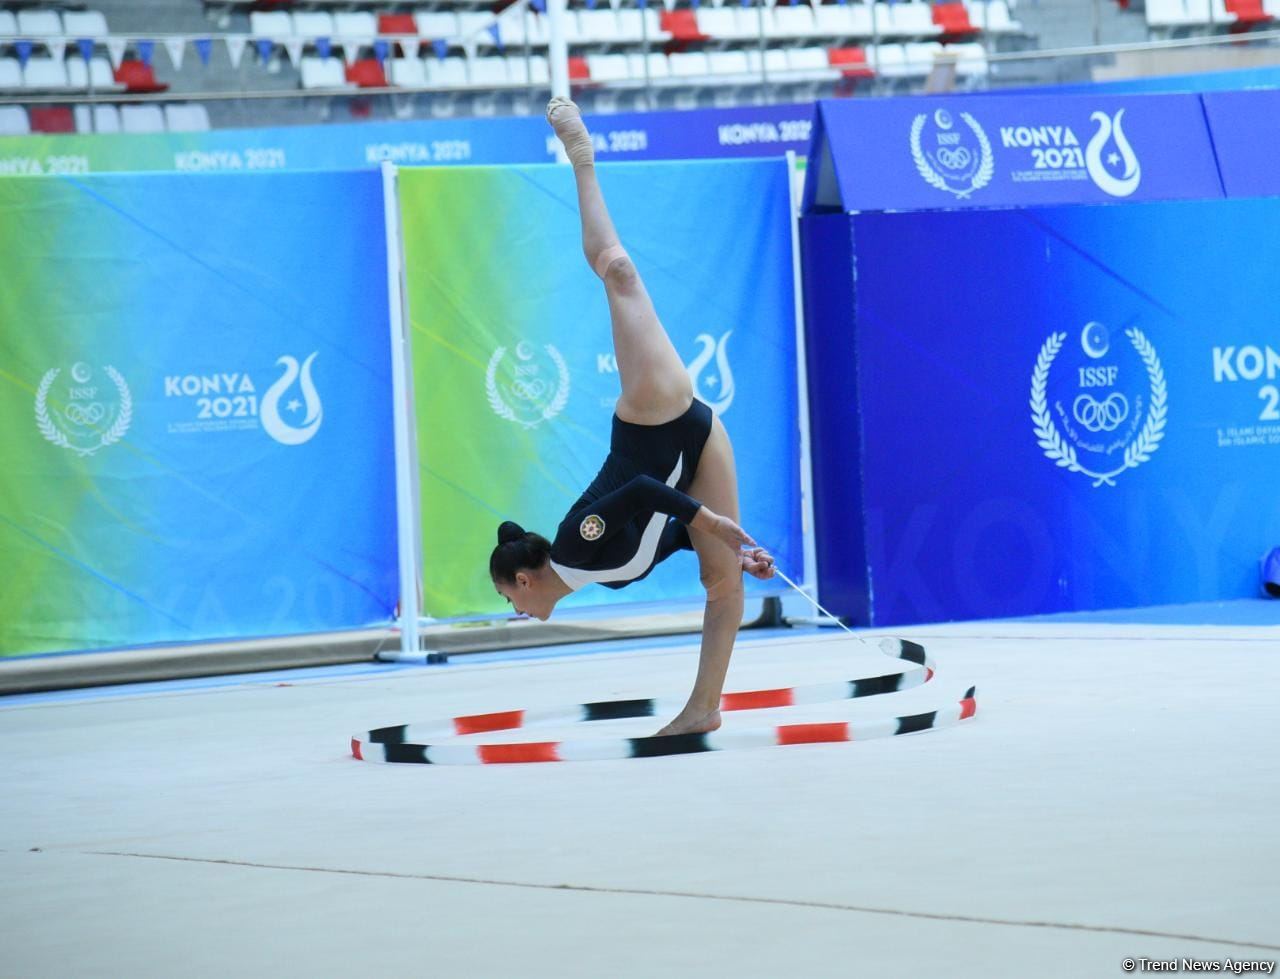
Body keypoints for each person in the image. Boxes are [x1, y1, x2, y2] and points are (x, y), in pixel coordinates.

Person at [489, 97, 776, 738]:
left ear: (525, 579)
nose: (514, 608)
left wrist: (718, 524)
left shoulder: (574, 542)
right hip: (701, 443)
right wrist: (733, 544)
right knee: (723, 580)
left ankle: (582, 158)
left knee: (618, 272)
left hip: (655, 419)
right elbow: (663, 532)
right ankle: (704, 709)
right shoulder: (603, 578)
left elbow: (645, 491)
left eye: (508, 597)